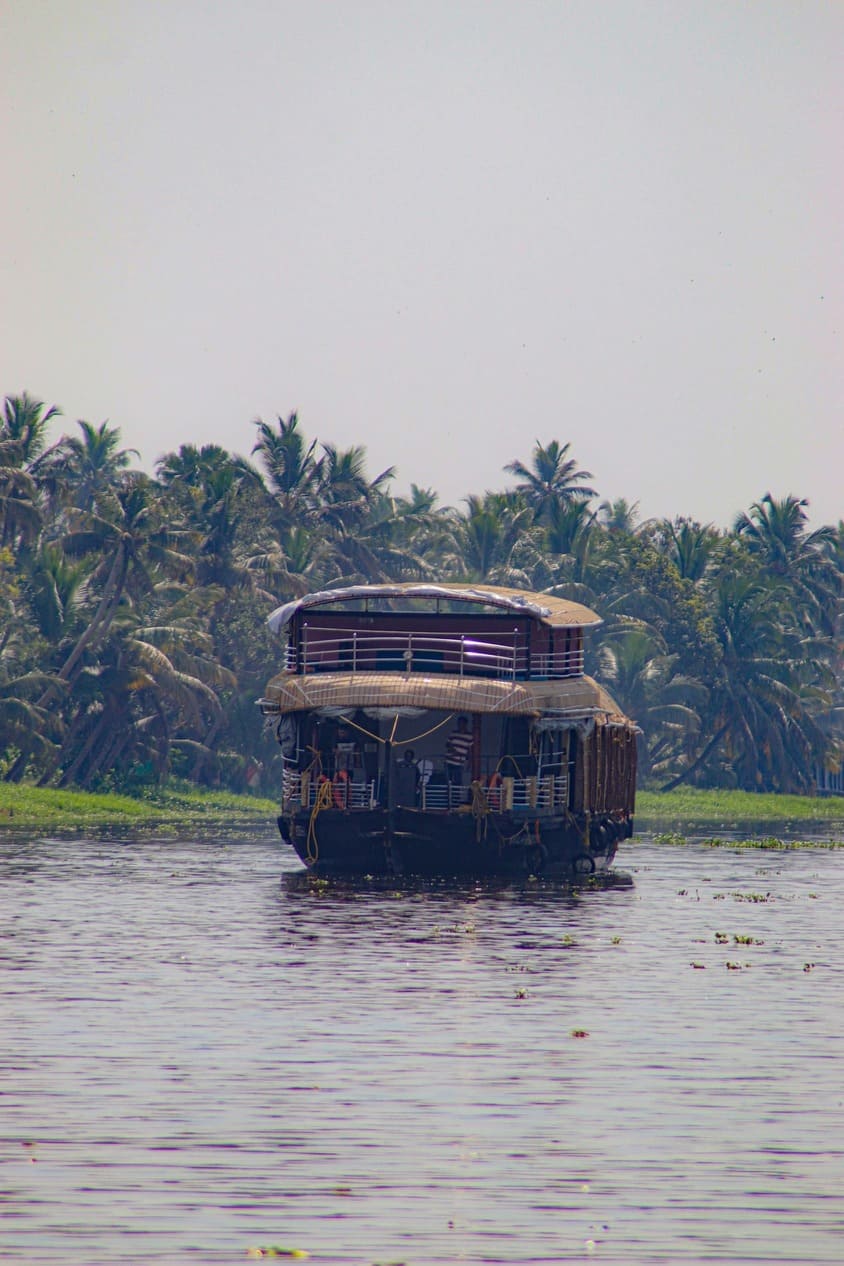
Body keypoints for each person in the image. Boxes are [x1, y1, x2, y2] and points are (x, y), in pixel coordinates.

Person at [445, 716, 473, 800]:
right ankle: (447, 801)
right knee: (447, 782)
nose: (460, 725)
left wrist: (469, 763)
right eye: (458, 723)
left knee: (457, 782)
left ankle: (455, 801)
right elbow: (447, 744)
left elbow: (470, 750)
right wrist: (453, 750)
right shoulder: (453, 733)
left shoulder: (469, 736)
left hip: (459, 762)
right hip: (449, 760)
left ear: (465, 724)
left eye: (461, 723)